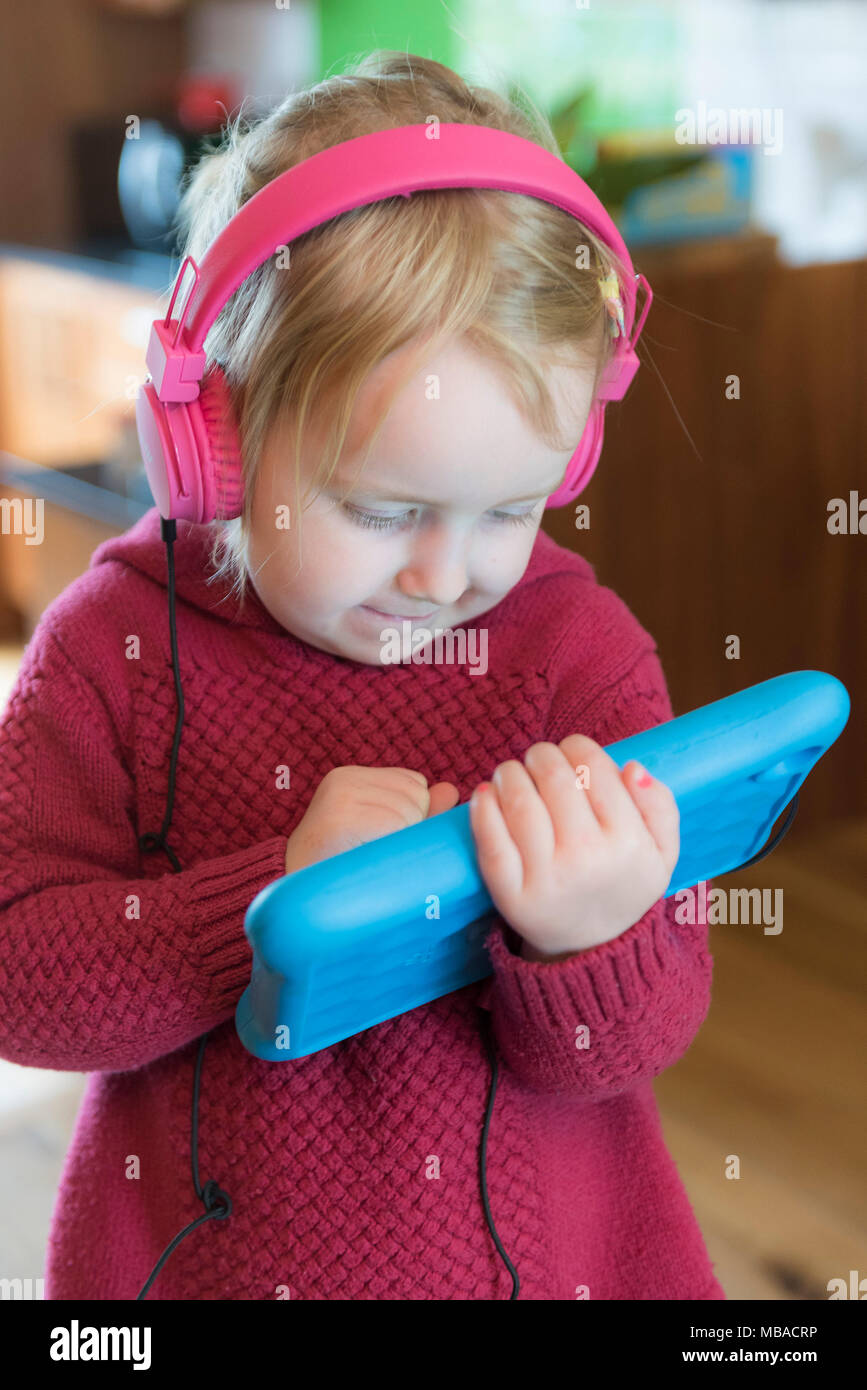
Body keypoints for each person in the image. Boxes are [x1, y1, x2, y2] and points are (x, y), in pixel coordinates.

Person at [0, 51, 724, 1300]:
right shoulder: (111, 649)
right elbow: (19, 985)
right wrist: (267, 904)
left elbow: (642, 1039)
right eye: (384, 511)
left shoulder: (579, 655)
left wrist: (593, 938)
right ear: (211, 442)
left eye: (510, 506)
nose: (449, 576)